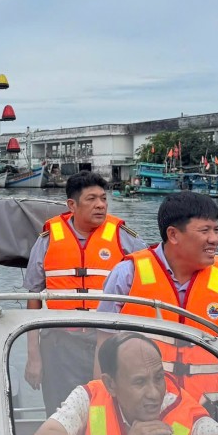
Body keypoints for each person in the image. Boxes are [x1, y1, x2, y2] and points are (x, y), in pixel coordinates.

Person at [98, 191, 218, 410]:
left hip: (212, 411)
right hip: (145, 411)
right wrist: (103, 402)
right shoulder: (127, 274)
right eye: (205, 230)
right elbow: (104, 343)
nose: (214, 239)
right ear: (173, 235)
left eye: (216, 229)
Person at [23, 171, 145, 417]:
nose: (100, 204)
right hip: (60, 345)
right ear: (72, 205)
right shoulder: (49, 238)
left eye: (103, 198)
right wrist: (33, 356)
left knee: (108, 411)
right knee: (61, 411)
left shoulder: (124, 237)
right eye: (91, 199)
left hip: (111, 343)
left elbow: (148, 283)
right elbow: (33, 296)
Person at [30, 332, 218, 435]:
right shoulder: (88, 396)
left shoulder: (177, 402)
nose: (154, 393)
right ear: (110, 384)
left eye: (158, 378)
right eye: (140, 382)